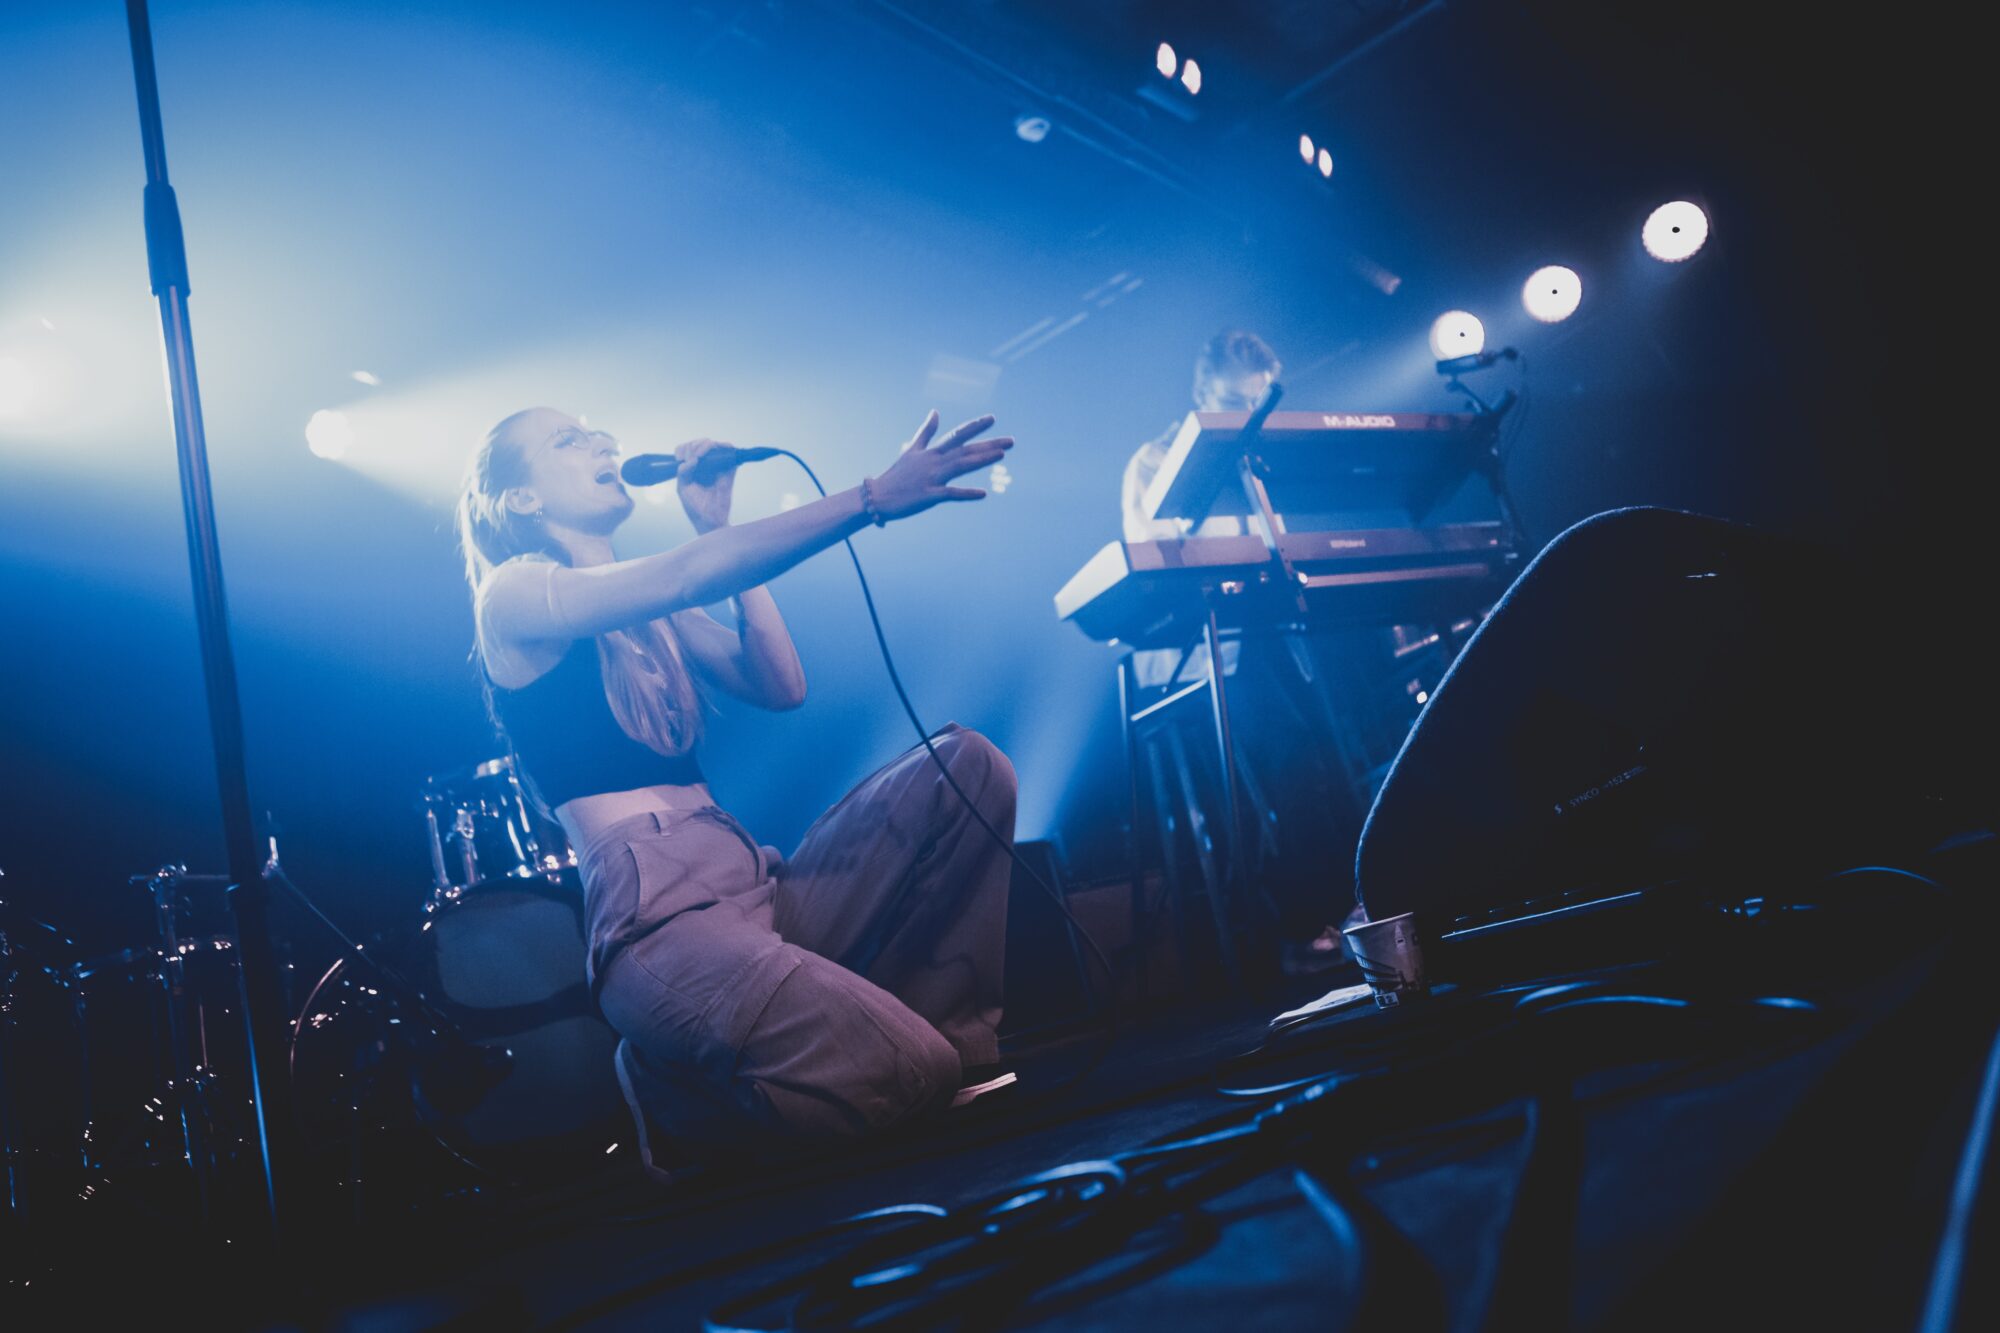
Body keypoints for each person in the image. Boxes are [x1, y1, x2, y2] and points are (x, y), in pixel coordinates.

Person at [455, 406, 1018, 1178]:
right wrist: (871, 496)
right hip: (661, 921)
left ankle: (950, 1052)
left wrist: (709, 521)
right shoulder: (513, 594)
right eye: (569, 439)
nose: (604, 441)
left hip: (753, 881)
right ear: (522, 501)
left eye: (597, 430)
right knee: (906, 1072)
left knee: (969, 766)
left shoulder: (658, 604)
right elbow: (691, 571)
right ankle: (677, 1098)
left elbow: (780, 684)